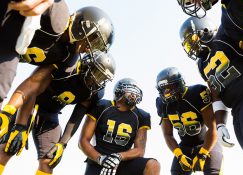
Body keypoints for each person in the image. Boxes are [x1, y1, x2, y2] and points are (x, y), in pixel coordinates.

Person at [0, 5, 115, 151]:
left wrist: (10, 112)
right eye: (94, 41)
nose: (89, 49)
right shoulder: (57, 17)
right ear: (83, 26)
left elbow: (34, 85)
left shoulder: (67, 57)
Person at [179, 16, 243, 175]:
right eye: (188, 43)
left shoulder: (226, 35)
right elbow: (216, 93)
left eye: (193, 40)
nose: (192, 46)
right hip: (237, 110)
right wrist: (221, 124)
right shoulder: (202, 64)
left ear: (204, 30)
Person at [0, 51, 116, 175]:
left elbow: (76, 117)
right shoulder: (67, 65)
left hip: (50, 114)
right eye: (97, 73)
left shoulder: (93, 92)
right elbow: (33, 89)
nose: (97, 81)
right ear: (87, 64)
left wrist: (62, 144)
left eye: (102, 78)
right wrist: (21, 126)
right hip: (30, 105)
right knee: (8, 147)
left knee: (50, 160)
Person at [79, 78, 161, 175]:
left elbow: (140, 150)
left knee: (153, 165)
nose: (133, 94)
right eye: (130, 91)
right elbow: (83, 141)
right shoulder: (102, 106)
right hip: (98, 161)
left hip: (123, 161)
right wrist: (100, 159)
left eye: (135, 92)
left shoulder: (141, 116)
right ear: (119, 91)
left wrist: (119, 157)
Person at [155, 67, 224, 175]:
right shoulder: (162, 104)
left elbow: (212, 127)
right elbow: (168, 134)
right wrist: (179, 155)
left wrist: (203, 153)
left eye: (170, 87)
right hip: (184, 147)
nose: (167, 92)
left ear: (179, 84)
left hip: (206, 143)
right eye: (164, 89)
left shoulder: (196, 93)